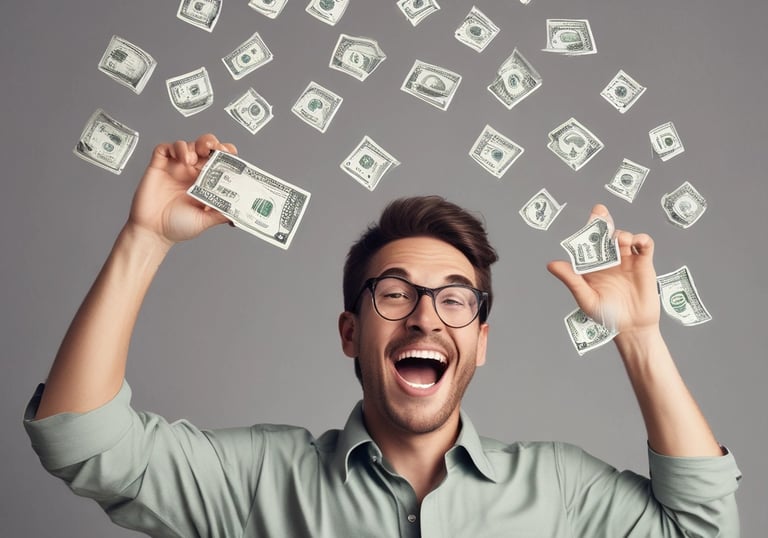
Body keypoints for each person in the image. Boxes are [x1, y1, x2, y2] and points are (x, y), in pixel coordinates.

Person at [24, 134, 741, 537]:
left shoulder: (559, 492)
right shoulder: (260, 484)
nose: (426, 317)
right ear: (350, 332)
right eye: (395, 295)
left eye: (456, 301)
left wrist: (640, 336)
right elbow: (82, 440)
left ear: (481, 341)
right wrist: (144, 239)